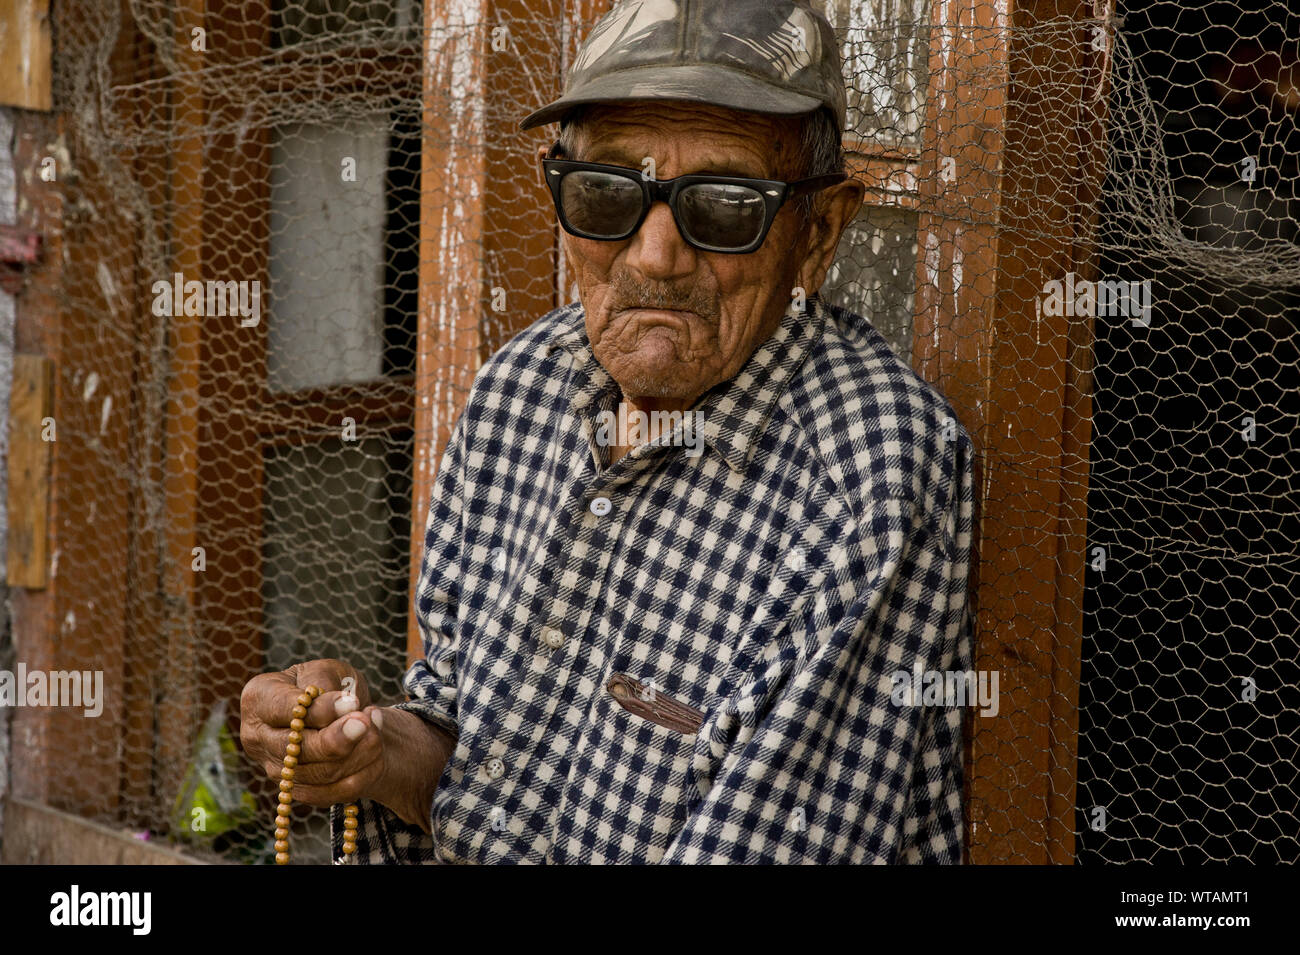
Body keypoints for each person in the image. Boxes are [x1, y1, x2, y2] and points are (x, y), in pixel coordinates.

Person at [240, 0, 975, 863]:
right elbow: (462, 750)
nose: (655, 255)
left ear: (820, 233)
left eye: (727, 204)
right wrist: (362, 747)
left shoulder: (869, 475)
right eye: (607, 193)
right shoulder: (527, 383)